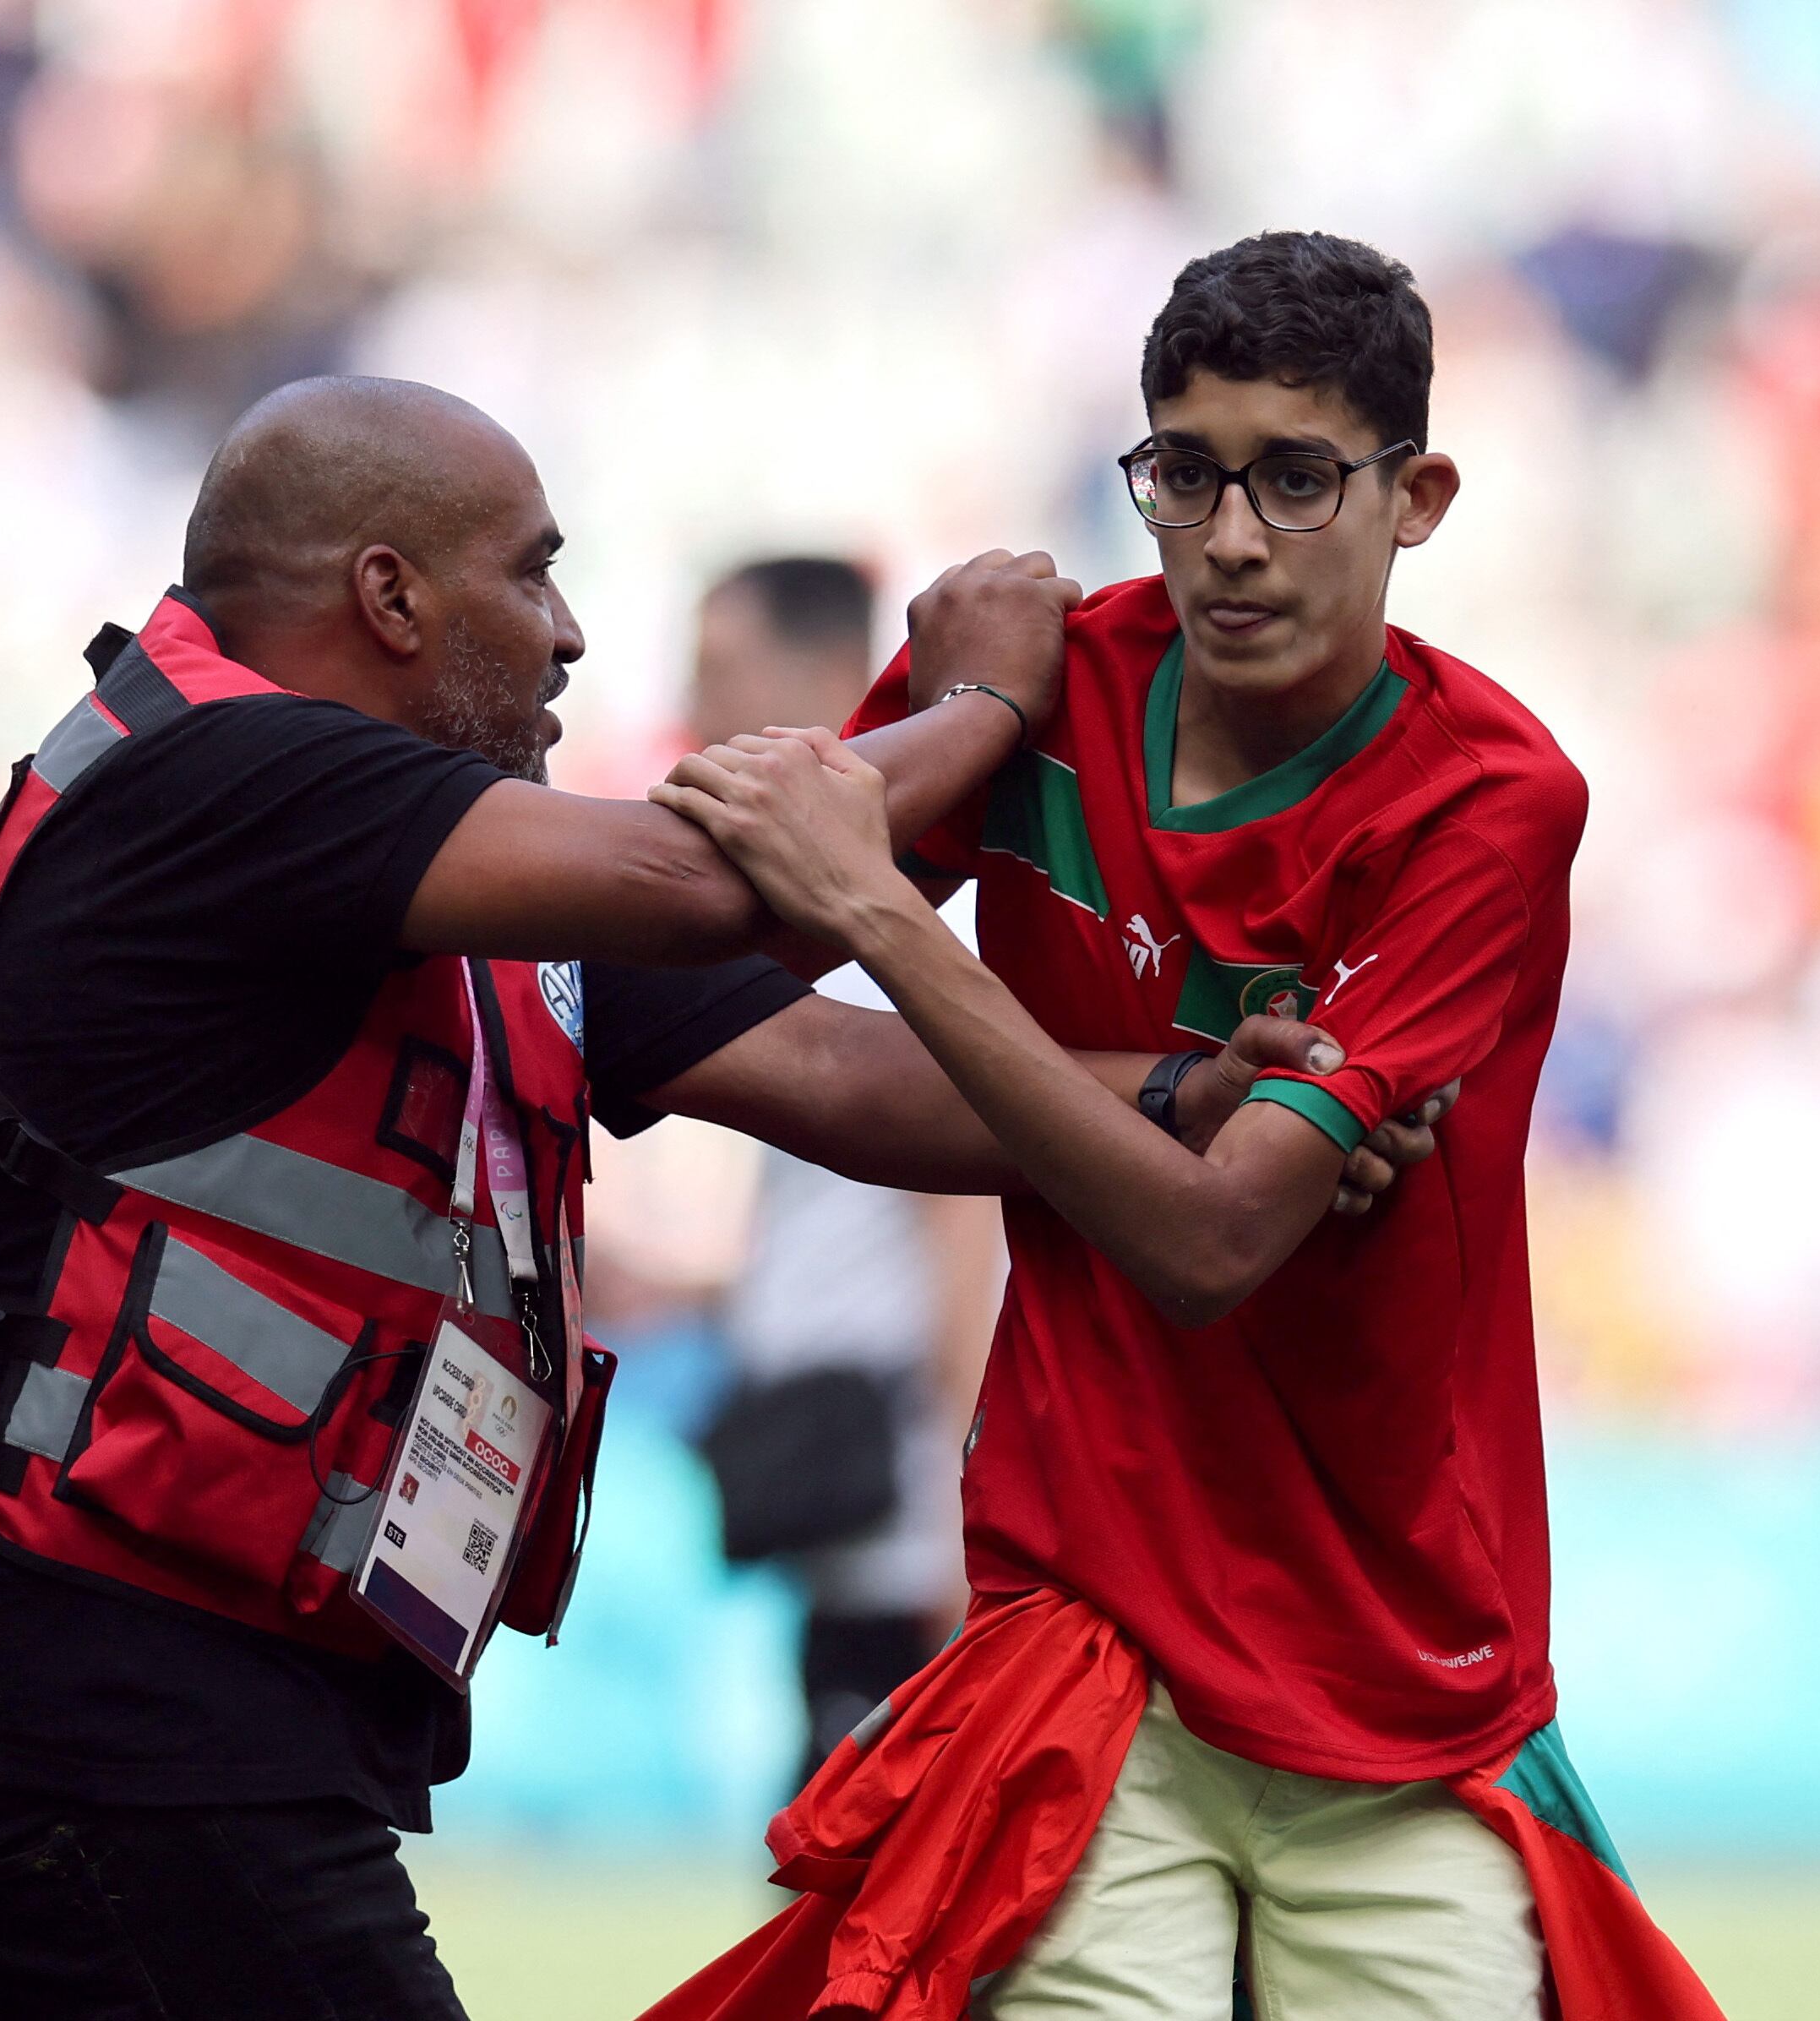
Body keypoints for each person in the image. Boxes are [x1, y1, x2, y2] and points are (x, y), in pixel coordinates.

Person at [0, 375, 1441, 2021]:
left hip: (24, 1668)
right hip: (66, 1684)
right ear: (387, 594)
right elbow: (709, 884)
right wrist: (985, 704)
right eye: (531, 569)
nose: (570, 629)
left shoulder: (451, 878)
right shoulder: (219, 772)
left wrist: (1179, 1093)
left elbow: (833, 1070)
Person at [647, 234, 1720, 2019]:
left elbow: (1212, 1241)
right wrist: (969, 712)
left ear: (1418, 494)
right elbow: (708, 952)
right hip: (1093, 1628)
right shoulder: (1045, 686)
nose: (1230, 537)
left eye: (1298, 476)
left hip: (1390, 1659)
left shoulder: (1486, 798)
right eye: (1185, 471)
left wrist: (892, 920)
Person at [689, 556, 998, 1779]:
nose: (693, 704)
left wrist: (973, 1537)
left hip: (910, 1531)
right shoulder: (815, 931)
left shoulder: (887, 940)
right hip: (847, 1514)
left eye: (720, 671)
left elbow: (965, 1233)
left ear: (826, 680)